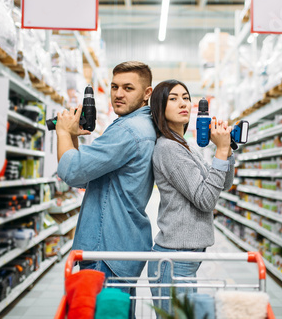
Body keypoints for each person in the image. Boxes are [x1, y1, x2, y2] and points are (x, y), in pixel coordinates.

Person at [55, 61, 156, 293]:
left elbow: (71, 172)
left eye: (128, 88)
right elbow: (85, 178)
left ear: (147, 93)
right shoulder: (143, 125)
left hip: (107, 248)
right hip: (123, 244)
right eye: (114, 87)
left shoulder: (127, 131)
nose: (118, 94)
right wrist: (73, 137)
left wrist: (62, 132)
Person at [147, 79, 235, 312]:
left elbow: (224, 183)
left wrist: (226, 149)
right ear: (160, 108)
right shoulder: (168, 148)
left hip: (185, 258)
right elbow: (206, 200)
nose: (183, 103)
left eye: (186, 97)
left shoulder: (186, 144)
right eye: (173, 99)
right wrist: (222, 151)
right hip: (174, 259)